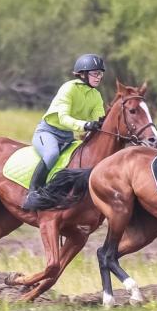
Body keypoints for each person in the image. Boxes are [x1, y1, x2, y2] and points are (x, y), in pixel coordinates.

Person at [21, 54, 106, 211]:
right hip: (48, 132)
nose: (98, 77)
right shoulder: (68, 88)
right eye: (95, 73)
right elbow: (64, 119)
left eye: (100, 73)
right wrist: (86, 125)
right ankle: (32, 192)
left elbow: (99, 119)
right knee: (52, 154)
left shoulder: (96, 96)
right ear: (83, 74)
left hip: (68, 136)